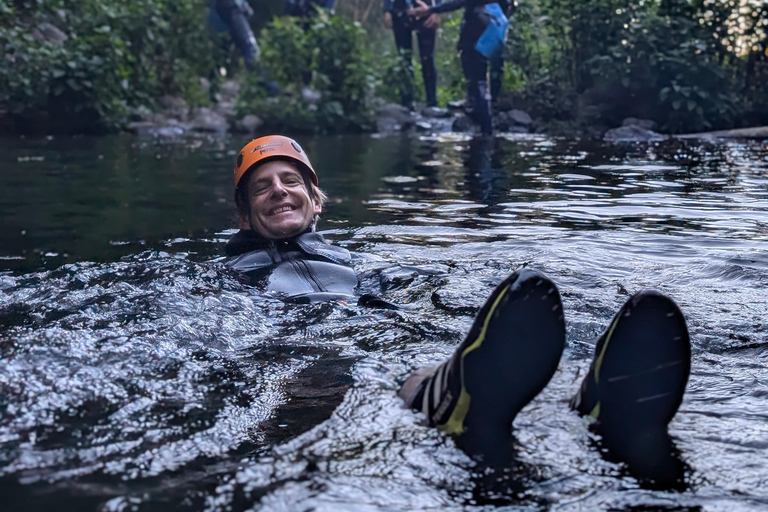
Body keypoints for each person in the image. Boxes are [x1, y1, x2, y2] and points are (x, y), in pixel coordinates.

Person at [225, 134, 692, 480]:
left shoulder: (354, 260)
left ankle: (586, 401)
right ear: (245, 215)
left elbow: (406, 293)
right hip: (301, 337)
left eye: (290, 180)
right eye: (263, 187)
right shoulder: (229, 273)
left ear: (314, 200)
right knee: (357, 372)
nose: (280, 190)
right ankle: (443, 391)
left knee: (424, 340)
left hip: (374, 321)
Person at [409, 0, 509, 134]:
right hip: (493, 24)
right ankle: (483, 122)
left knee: (476, 79)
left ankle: (485, 130)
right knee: (481, 77)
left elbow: (459, 2)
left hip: (478, 26)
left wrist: (433, 9)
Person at [383, 0, 441, 109]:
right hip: (399, 9)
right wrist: (387, 10)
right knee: (404, 57)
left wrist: (436, 10)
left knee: (427, 57)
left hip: (425, 8)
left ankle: (432, 102)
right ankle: (407, 101)